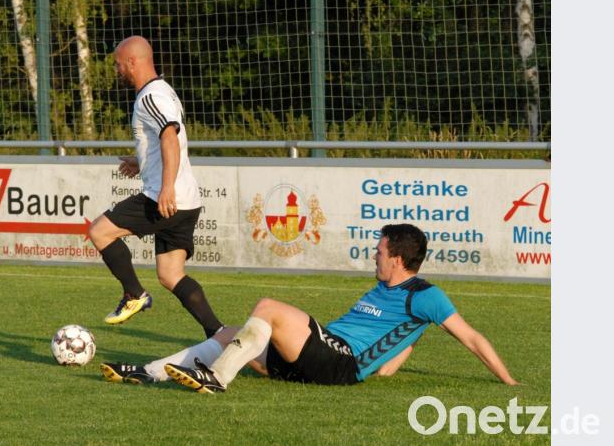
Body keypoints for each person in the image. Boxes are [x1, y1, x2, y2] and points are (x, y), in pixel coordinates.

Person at [100, 223, 518, 392]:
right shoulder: (385, 290)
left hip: (339, 361)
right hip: (316, 356)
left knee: (268, 308)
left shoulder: (426, 295)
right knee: (227, 335)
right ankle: (147, 372)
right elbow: (394, 352)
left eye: (380, 250)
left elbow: (472, 338)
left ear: (398, 258)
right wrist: (401, 350)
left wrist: (509, 383)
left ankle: (217, 379)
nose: (374, 255)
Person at [88, 35, 224, 338]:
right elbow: (165, 142)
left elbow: (169, 137)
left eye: (118, 64)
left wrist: (165, 188)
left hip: (164, 199)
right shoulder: (164, 92)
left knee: (99, 231)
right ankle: (218, 332)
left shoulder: (150, 97)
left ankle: (133, 294)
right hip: (187, 201)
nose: (117, 70)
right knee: (171, 274)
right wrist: (142, 163)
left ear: (132, 62)